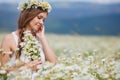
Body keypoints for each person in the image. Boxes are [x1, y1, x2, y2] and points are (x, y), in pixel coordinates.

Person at [0, 0, 57, 72]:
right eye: (39, 18)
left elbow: (53, 63)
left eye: (44, 20)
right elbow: (2, 70)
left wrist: (42, 37)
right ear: (29, 16)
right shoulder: (9, 39)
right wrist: (24, 68)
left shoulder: (40, 39)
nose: (41, 22)